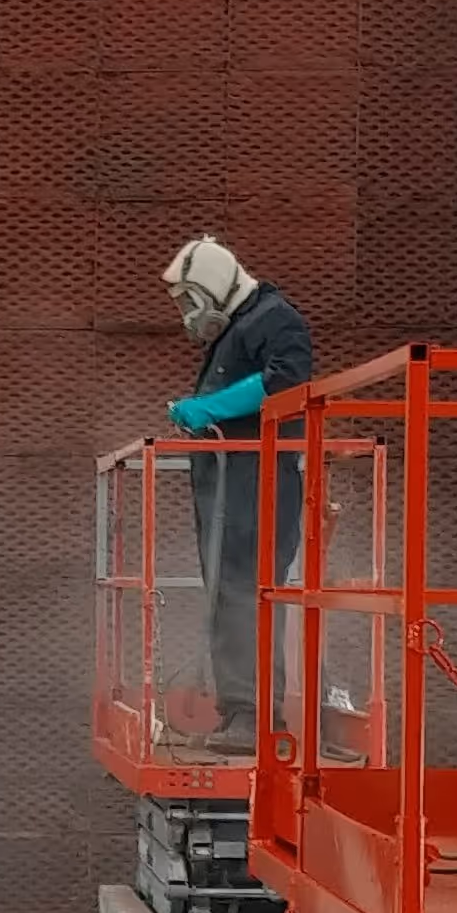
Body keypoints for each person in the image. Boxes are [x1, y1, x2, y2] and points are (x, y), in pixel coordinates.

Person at [160, 235, 311, 751]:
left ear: (214, 287)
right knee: (230, 593)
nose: (186, 316)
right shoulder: (239, 329)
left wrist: (211, 408)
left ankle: (257, 716)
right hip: (233, 484)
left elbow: (288, 380)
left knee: (251, 592)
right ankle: (239, 709)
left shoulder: (273, 318)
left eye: (189, 302)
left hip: (258, 481)